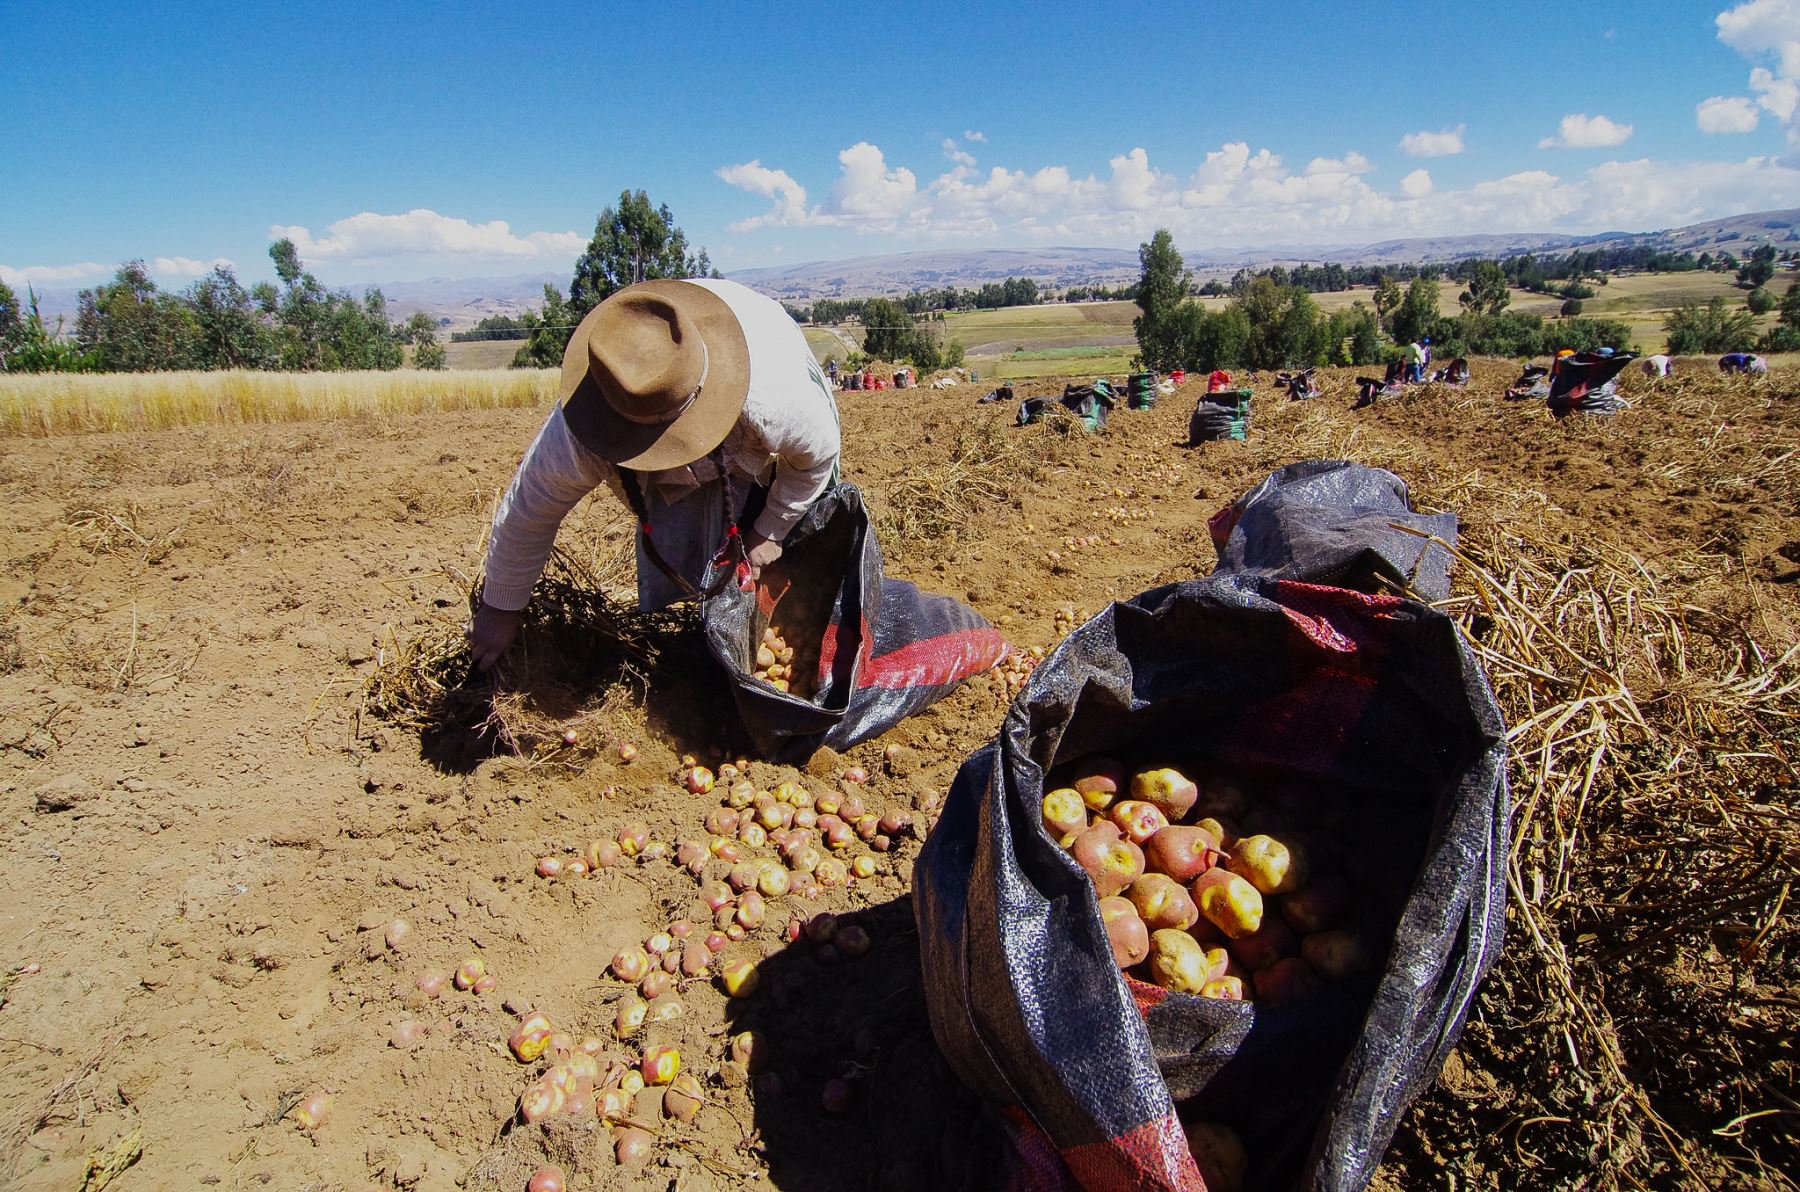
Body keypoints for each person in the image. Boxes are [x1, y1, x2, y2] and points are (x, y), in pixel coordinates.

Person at [469, 278, 841, 670]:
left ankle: (806, 619)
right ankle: (712, 627)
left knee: (801, 536)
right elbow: (528, 513)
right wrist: (499, 609)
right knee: (686, 530)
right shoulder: (583, 425)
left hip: (762, 366)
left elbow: (816, 457)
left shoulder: (770, 398)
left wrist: (770, 530)